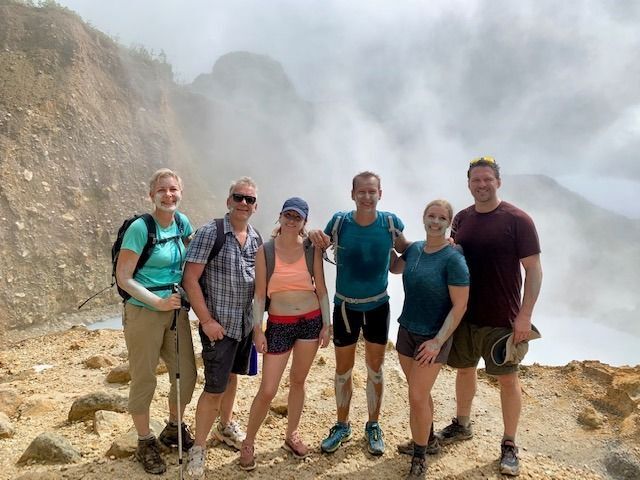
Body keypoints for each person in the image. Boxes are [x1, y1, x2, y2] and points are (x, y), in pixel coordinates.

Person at [438, 157, 542, 477]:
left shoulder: (517, 220)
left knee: (508, 379)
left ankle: (509, 443)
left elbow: (534, 270)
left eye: (487, 179)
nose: (481, 185)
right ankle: (462, 424)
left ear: (498, 182)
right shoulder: (462, 218)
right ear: (468, 184)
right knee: (464, 371)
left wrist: (524, 317)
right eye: (475, 180)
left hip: (503, 318)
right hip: (466, 315)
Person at [309, 171, 410, 456]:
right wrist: (311, 231)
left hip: (378, 306)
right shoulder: (340, 222)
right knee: (343, 370)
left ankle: (373, 425)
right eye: (362, 192)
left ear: (380, 194)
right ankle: (342, 425)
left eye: (372, 192)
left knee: (375, 369)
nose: (367, 196)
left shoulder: (390, 224)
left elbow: (405, 255)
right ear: (352, 194)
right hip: (345, 308)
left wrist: (436, 251)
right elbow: (320, 243)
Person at [239, 197, 332, 471]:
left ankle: (291, 434)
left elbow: (322, 289)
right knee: (268, 390)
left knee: (298, 381)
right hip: (279, 322)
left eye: (298, 217)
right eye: (288, 215)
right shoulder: (265, 251)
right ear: (280, 217)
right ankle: (248, 442)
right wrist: (258, 330)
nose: (292, 221)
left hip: (310, 320)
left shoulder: (311, 249)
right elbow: (259, 295)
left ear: (304, 222)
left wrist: (327, 324)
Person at [116, 168, 197, 475]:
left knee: (186, 373)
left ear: (180, 192)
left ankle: (173, 428)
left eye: (173, 189)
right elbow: (123, 278)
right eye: (162, 190)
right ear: (152, 195)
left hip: (176, 310)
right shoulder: (140, 228)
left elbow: (195, 260)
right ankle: (145, 440)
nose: (168, 195)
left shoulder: (182, 222)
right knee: (144, 377)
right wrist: (158, 301)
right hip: (144, 311)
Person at [182, 177, 262, 478]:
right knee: (214, 388)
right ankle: (198, 448)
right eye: (238, 197)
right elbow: (190, 279)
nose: (243, 203)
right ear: (228, 200)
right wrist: (206, 321)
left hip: (242, 326)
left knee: (231, 377)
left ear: (256, 206)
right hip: (219, 327)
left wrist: (257, 327)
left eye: (249, 199)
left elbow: (259, 289)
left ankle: (226, 427)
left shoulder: (255, 239)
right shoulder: (210, 233)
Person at [390, 199, 469, 480]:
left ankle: (420, 456)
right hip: (407, 330)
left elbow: (460, 305)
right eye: (430, 216)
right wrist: (380, 236)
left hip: (433, 337)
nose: (435, 222)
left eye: (441, 218)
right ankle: (429, 438)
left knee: (417, 395)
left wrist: (437, 341)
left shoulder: (453, 258)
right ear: (423, 218)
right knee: (419, 394)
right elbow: (394, 268)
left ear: (449, 223)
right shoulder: (414, 250)